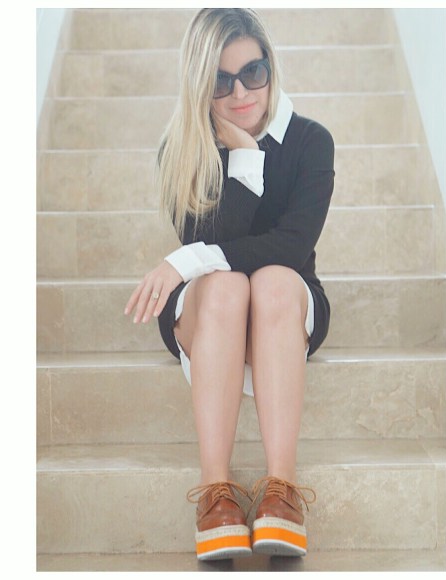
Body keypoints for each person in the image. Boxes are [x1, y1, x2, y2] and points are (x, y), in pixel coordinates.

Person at [124, 8, 334, 561]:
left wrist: (184, 259)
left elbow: (291, 245)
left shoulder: (311, 141)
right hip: (210, 311)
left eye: (253, 73)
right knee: (225, 285)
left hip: (283, 306)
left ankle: (282, 490)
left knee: (273, 280)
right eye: (220, 81)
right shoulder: (181, 150)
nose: (241, 92)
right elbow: (213, 250)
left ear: (271, 68)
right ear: (199, 85)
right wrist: (242, 156)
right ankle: (216, 493)